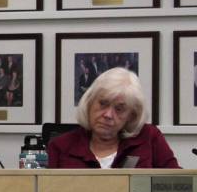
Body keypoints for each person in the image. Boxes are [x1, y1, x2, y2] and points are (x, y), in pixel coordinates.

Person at [47, 67, 179, 169]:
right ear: (89, 103)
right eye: (103, 104)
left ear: (131, 115)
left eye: (119, 109)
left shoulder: (149, 137)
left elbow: (177, 186)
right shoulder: (60, 146)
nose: (108, 115)